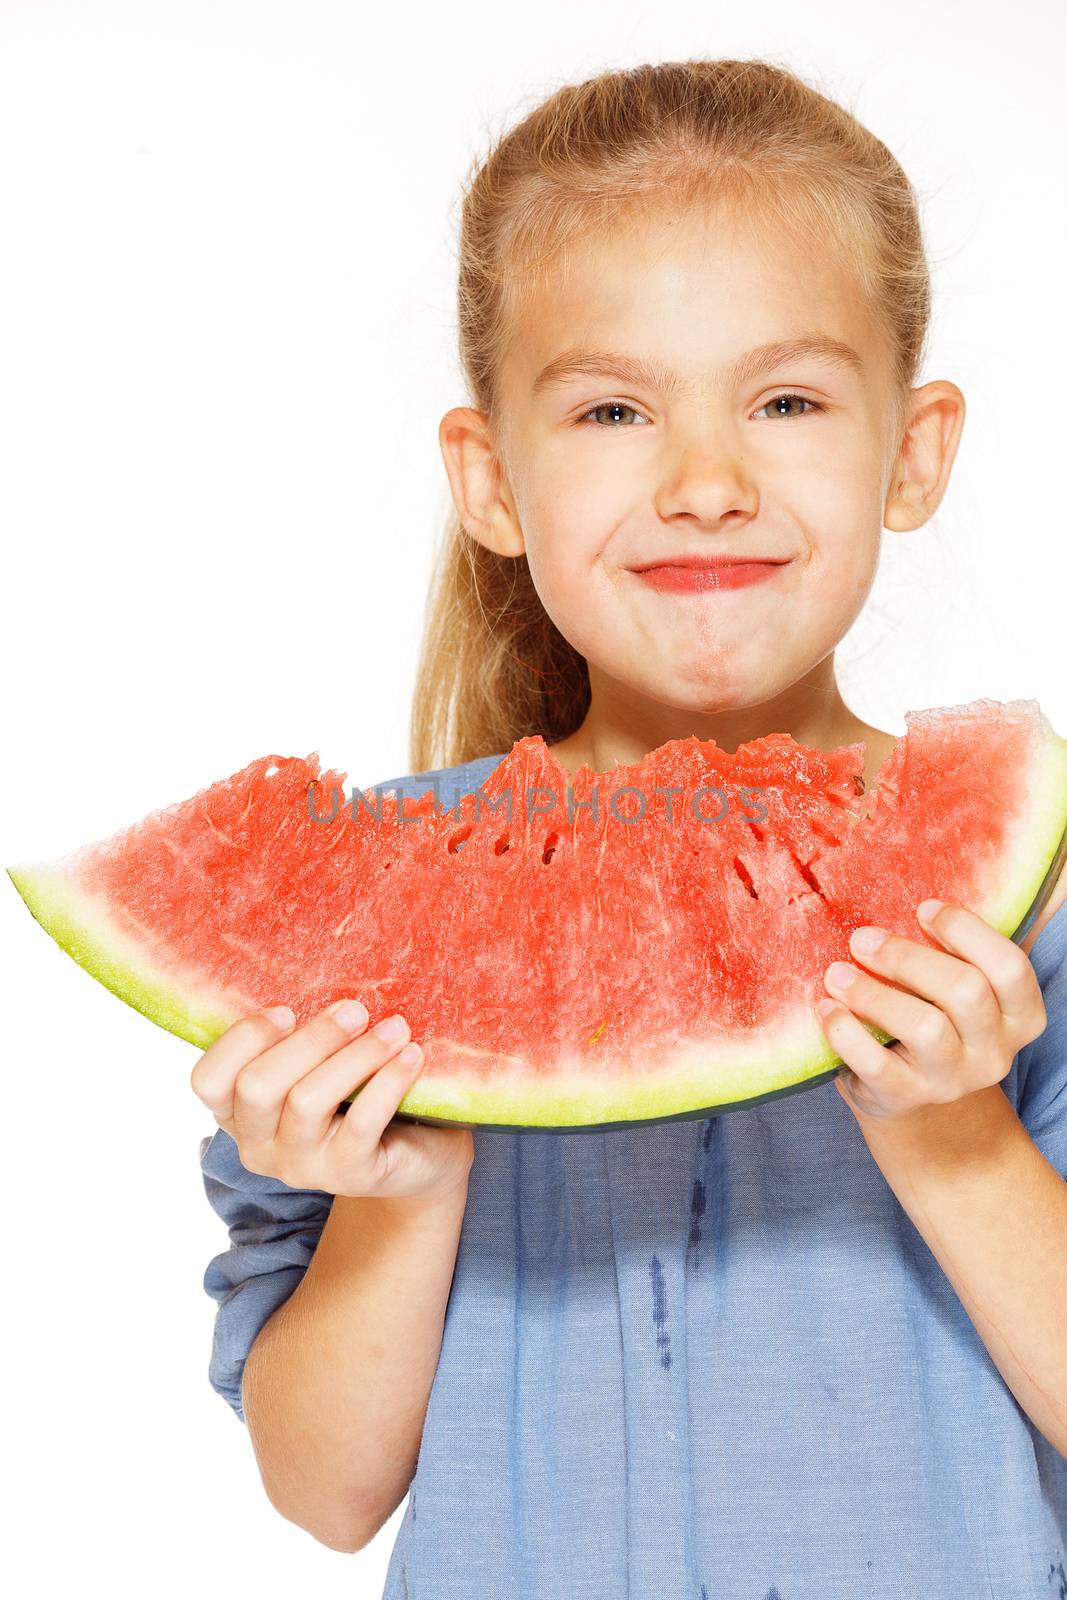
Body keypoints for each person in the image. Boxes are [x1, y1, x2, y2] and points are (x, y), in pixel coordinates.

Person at [191, 56, 1067, 1597]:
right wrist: (404, 1191)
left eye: (786, 400)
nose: (707, 482)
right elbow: (323, 1494)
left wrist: (963, 1145)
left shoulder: (1038, 888)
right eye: (611, 408)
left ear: (915, 452)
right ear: (492, 482)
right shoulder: (389, 915)